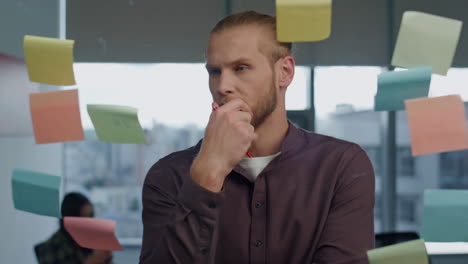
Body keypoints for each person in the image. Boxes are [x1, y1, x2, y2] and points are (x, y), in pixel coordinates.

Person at [140, 11, 375, 264]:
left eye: (241, 68)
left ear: (284, 72)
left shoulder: (341, 166)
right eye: (215, 71)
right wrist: (207, 175)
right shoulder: (167, 176)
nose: (222, 86)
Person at [35, 192, 113, 264]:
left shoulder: (92, 243)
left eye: (90, 216)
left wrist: (106, 259)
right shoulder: (51, 248)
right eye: (83, 219)